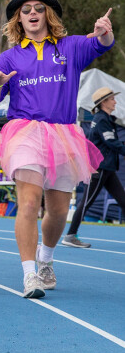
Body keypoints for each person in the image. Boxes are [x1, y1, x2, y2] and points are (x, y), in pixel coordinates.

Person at [0, 0, 114, 298]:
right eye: (25, 10)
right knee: (28, 202)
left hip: (64, 135)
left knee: (57, 210)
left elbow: (102, 43)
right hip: (25, 131)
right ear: (19, 19)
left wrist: (104, 32)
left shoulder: (70, 47)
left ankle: (46, 259)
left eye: (38, 8)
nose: (32, 12)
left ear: (47, 15)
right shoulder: (10, 57)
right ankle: (30, 275)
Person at [62, 87, 125, 248]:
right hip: (100, 168)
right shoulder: (102, 119)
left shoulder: (105, 118)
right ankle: (70, 236)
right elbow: (110, 142)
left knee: (123, 200)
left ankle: (71, 235)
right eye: (112, 99)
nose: (115, 101)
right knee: (86, 202)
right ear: (104, 102)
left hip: (107, 168)